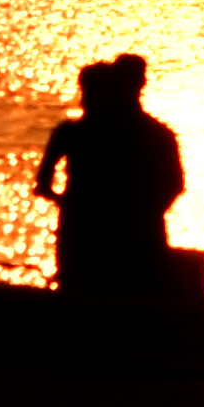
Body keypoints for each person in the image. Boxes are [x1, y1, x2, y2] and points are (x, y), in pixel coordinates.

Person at [32, 53, 189, 299]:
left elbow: (42, 184)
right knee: (135, 295)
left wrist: (70, 203)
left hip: (84, 234)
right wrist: (145, 213)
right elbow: (175, 185)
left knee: (80, 292)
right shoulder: (159, 135)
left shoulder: (71, 133)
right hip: (139, 234)